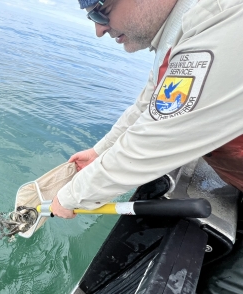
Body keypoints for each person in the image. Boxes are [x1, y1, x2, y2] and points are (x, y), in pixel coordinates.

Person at [51, 0, 243, 218]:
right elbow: (146, 106)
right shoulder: (176, 36)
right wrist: (99, 152)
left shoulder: (222, 20)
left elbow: (159, 136)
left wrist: (70, 197)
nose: (99, 29)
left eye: (101, 13)